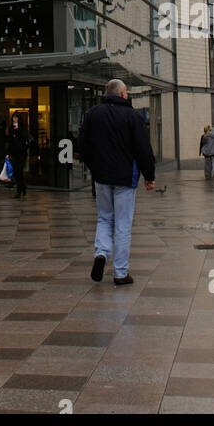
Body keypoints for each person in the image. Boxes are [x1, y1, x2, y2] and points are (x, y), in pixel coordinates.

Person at [76, 78, 156, 285]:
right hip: (125, 178)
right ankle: (120, 272)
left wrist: (94, 166)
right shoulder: (132, 116)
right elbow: (143, 148)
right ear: (121, 94)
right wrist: (149, 176)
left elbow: (82, 145)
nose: (127, 95)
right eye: (127, 92)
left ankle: (101, 253)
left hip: (101, 177)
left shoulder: (92, 114)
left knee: (104, 218)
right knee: (122, 224)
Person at [6, 112, 30, 198]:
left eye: (16, 117)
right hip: (14, 153)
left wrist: (17, 130)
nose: (15, 119)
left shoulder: (23, 128)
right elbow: (9, 141)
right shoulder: (11, 128)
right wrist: (8, 153)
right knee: (16, 172)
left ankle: (20, 190)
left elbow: (25, 138)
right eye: (13, 117)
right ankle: (22, 188)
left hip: (22, 153)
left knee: (19, 170)